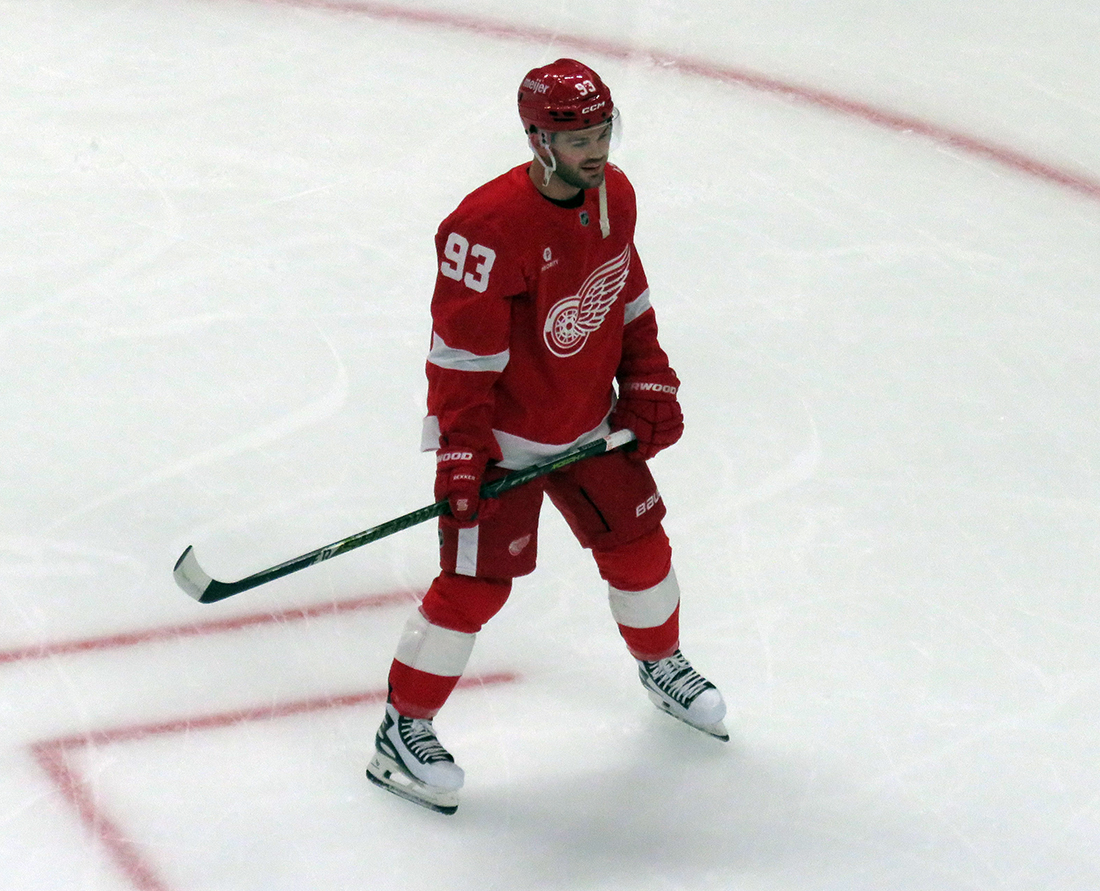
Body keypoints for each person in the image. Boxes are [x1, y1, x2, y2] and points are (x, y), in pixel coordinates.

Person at [367, 58, 727, 815]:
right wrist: (462, 453)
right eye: (579, 137)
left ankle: (660, 663)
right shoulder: (484, 229)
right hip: (504, 440)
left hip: (589, 423)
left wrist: (650, 374)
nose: (596, 150)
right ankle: (403, 728)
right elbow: (461, 358)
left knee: (642, 550)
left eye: (603, 131)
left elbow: (624, 290)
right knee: (473, 587)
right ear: (538, 139)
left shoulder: (614, 194)